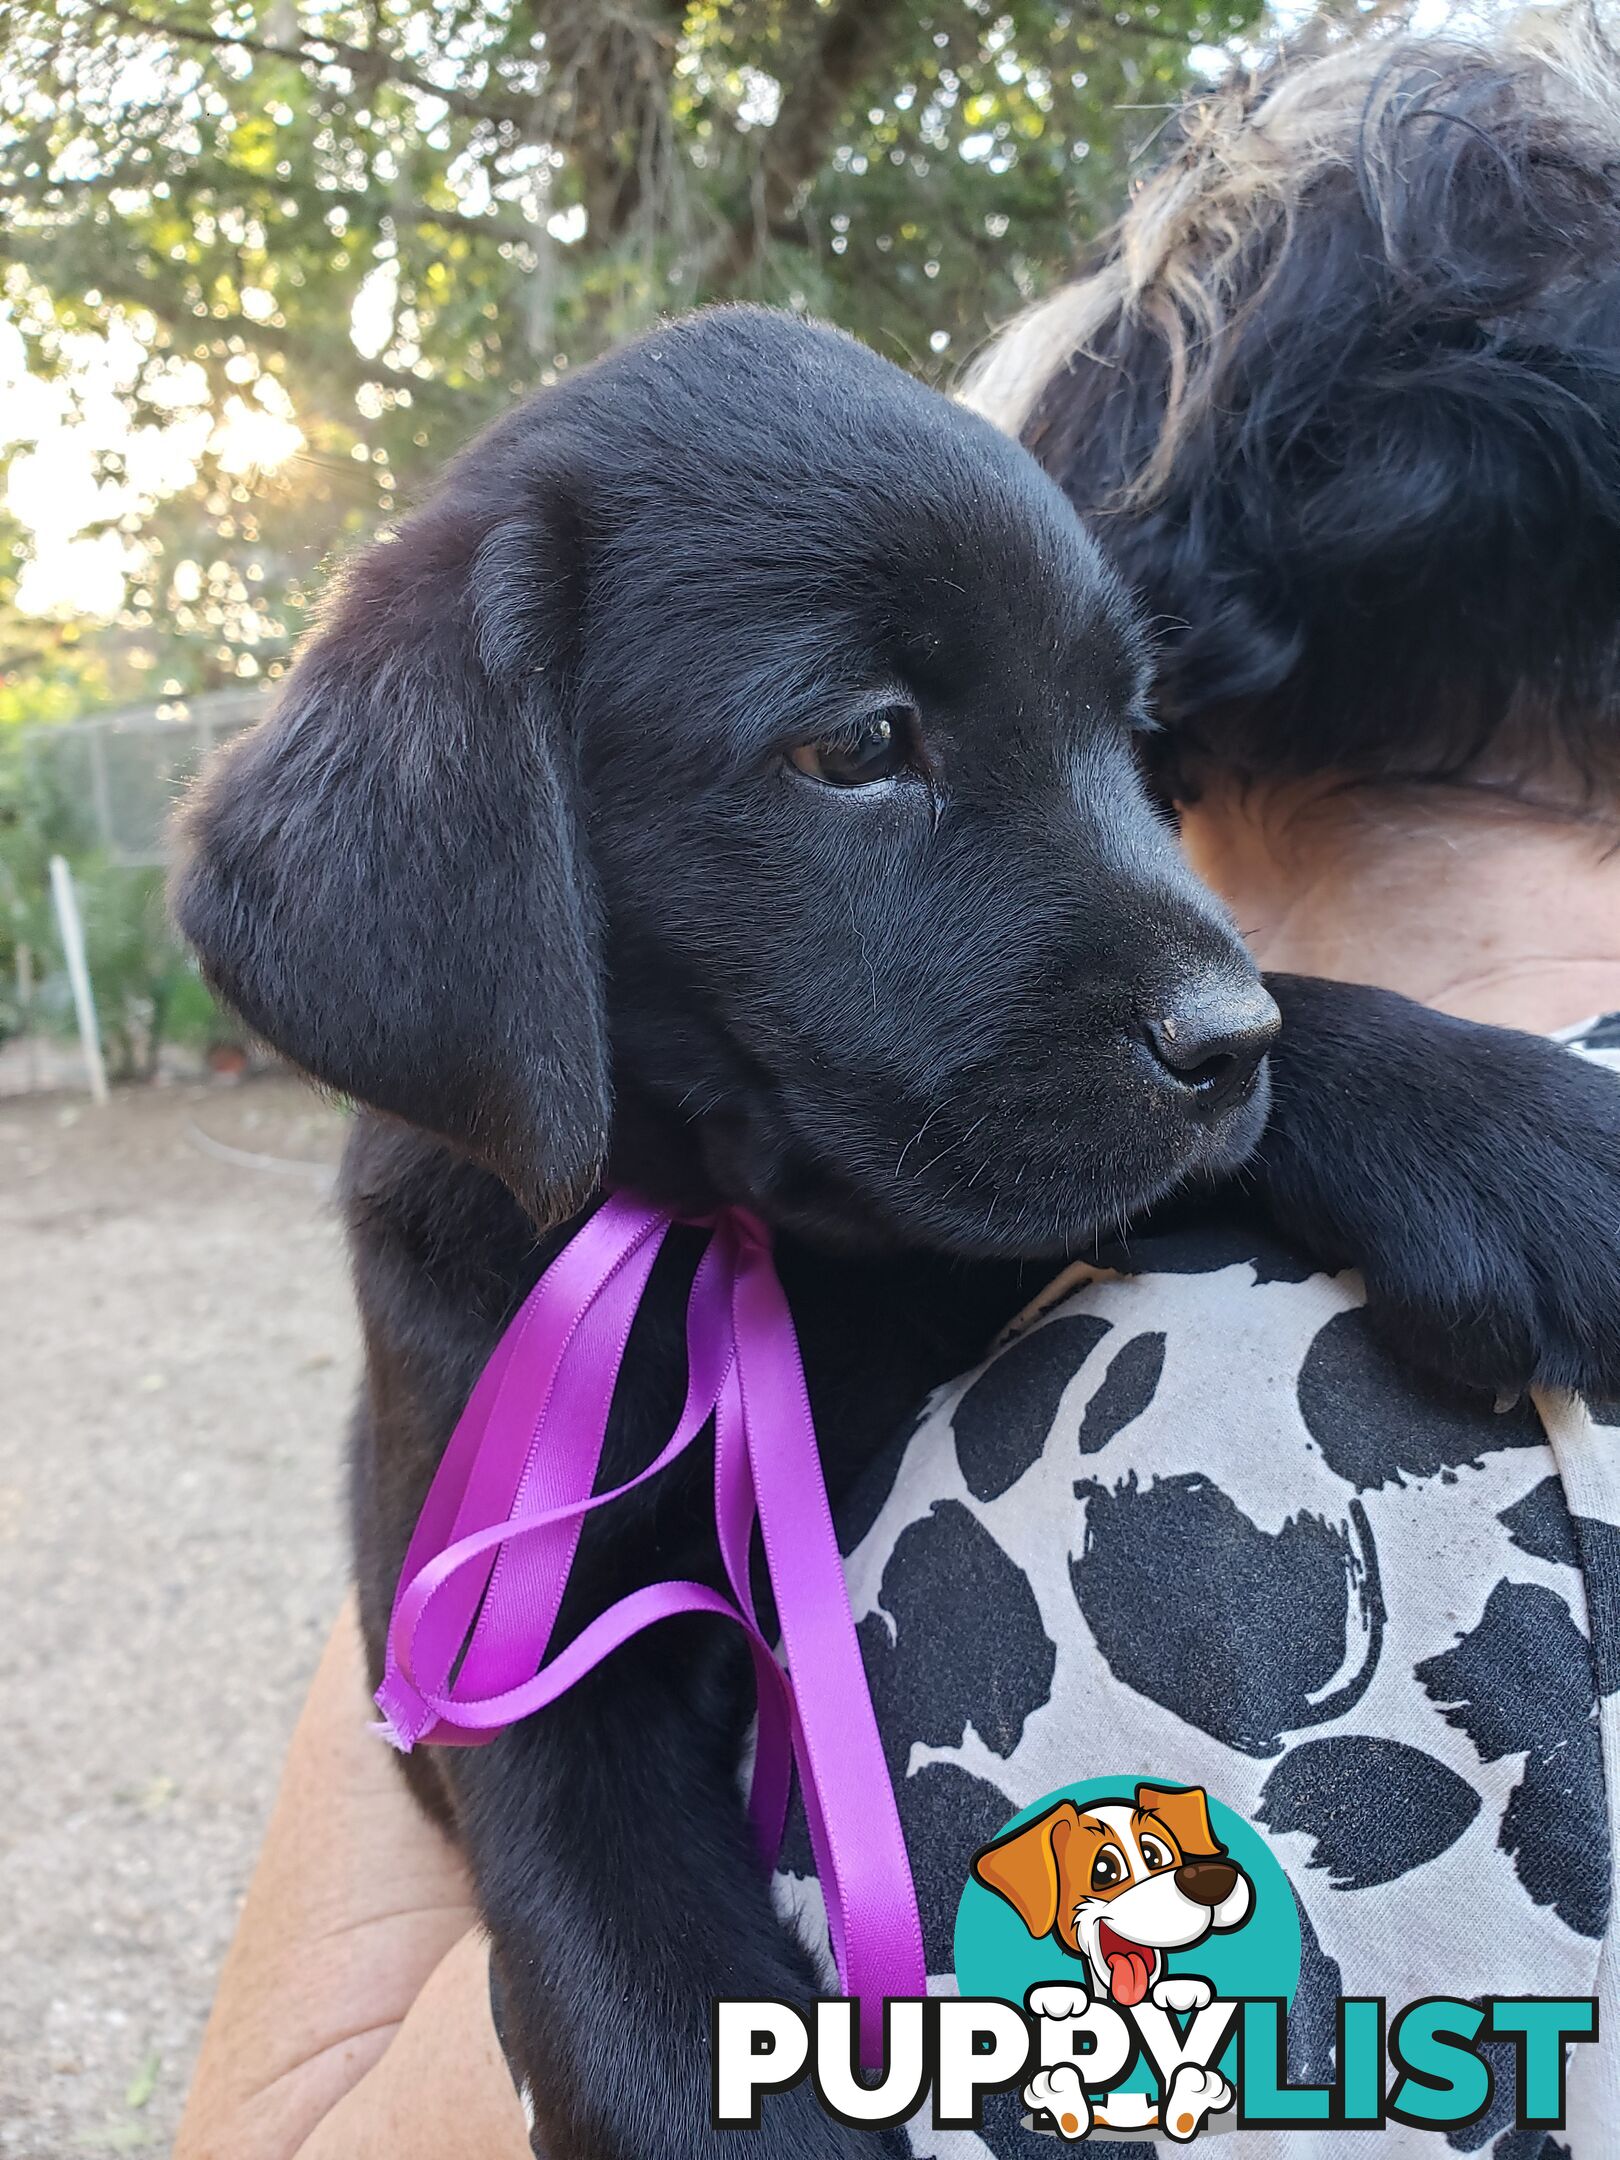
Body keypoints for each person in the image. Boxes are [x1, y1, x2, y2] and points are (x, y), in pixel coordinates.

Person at [175, 9, 1620, 2155]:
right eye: (865, 750)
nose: (1204, 986)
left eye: (1117, 754)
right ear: (494, 844)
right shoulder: (485, 1234)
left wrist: (1343, 1081)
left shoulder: (1100, 1091)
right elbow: (551, 1752)